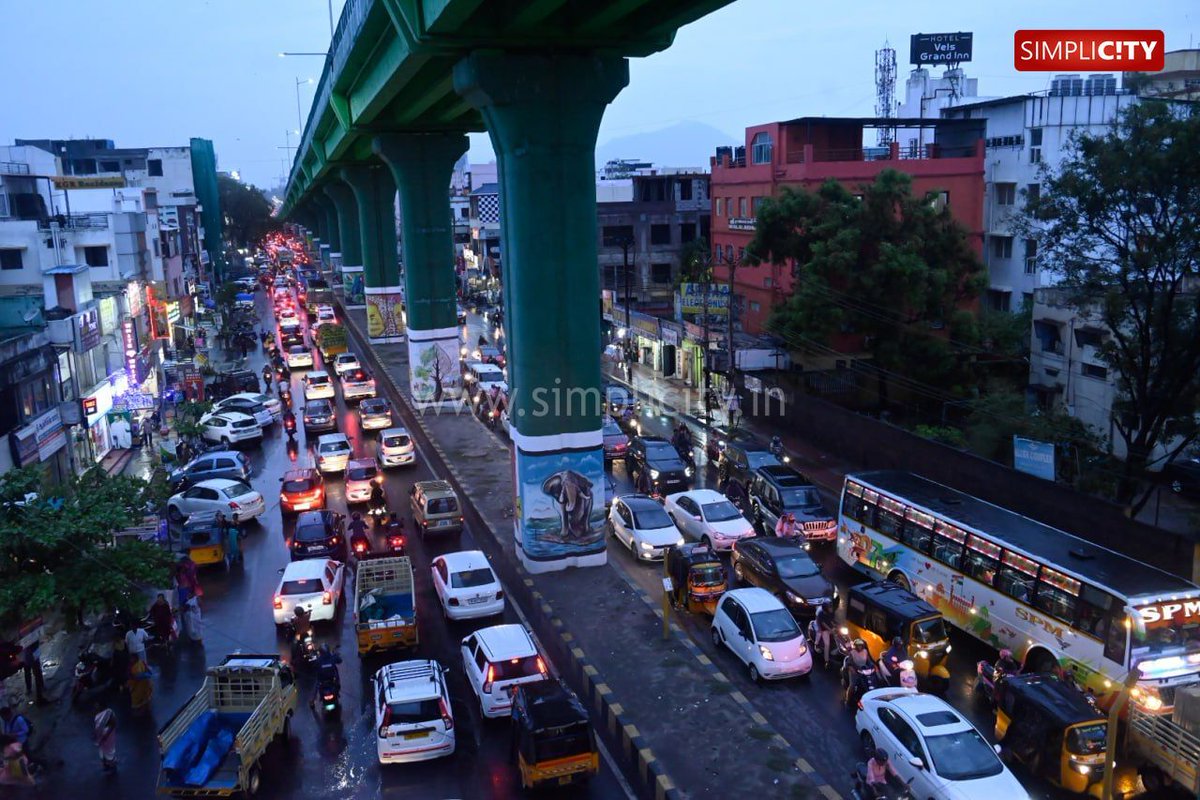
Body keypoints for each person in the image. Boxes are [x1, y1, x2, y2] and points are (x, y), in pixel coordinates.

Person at [92, 703, 117, 772]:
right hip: (102, 737)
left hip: (108, 737)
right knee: (103, 752)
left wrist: (106, 735)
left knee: (109, 751)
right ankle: (107, 764)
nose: (95, 709)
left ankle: (111, 766)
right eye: (95, 708)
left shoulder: (109, 713)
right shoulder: (98, 716)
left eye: (97, 707)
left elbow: (113, 723)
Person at [19, 639, 45, 705]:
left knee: (33, 671)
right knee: (35, 671)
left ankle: (32, 688)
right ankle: (37, 688)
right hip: (29, 652)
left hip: (29, 652)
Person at [813, 604, 836, 668]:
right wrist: (830, 630)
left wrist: (835, 625)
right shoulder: (821, 614)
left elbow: (831, 620)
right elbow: (823, 623)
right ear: (826, 609)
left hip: (830, 628)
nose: (831, 608)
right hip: (823, 629)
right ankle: (826, 660)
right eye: (830, 607)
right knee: (827, 644)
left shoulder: (832, 612)